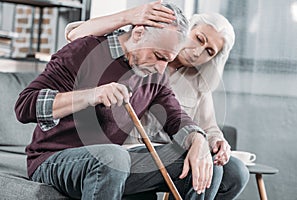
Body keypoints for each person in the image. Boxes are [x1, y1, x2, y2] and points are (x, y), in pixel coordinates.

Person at [15, 3, 215, 200]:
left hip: (112, 165)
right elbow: (25, 106)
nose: (162, 69)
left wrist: (198, 139)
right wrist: (91, 95)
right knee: (114, 157)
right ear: (138, 34)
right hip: (52, 160)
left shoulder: (155, 76)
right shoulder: (85, 50)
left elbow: (176, 117)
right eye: (158, 56)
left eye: (168, 61)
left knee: (215, 167)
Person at [65, 1, 249, 200]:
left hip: (173, 150)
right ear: (188, 29)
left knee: (235, 172)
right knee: (205, 166)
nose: (197, 52)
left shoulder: (198, 83)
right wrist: (129, 17)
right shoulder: (141, 53)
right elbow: (76, 36)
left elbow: (208, 126)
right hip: (128, 148)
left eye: (209, 51)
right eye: (198, 39)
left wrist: (215, 141)